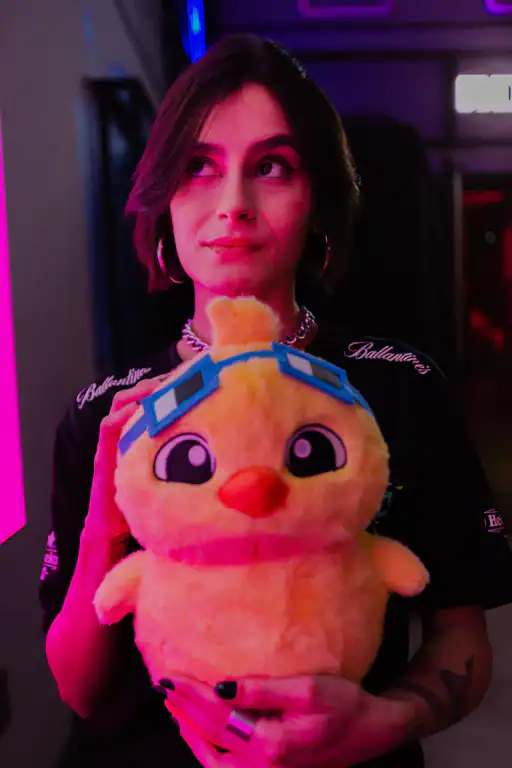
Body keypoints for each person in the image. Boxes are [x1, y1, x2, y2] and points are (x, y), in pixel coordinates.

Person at [39, 34, 512, 768]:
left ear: (317, 197)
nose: (233, 206)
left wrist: (387, 720)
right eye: (198, 167)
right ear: (165, 200)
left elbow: (462, 638)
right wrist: (107, 524)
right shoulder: (109, 414)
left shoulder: (400, 386)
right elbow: (81, 693)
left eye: (271, 167)